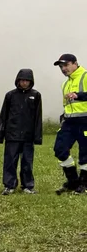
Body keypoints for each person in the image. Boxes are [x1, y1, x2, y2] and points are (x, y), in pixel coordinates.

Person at [0, 69, 41, 195]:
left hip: (28, 136)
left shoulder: (36, 95)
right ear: (18, 81)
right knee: (10, 162)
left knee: (27, 162)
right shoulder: (10, 95)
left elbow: (38, 117)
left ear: (31, 81)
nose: (24, 83)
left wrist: (37, 137)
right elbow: (3, 115)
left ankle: (28, 186)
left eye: (27, 80)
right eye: (22, 80)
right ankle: (9, 185)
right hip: (12, 135)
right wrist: (0, 135)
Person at [53, 53, 87, 194]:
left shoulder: (85, 76)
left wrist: (78, 95)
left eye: (66, 65)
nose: (63, 69)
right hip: (69, 122)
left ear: (75, 63)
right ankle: (73, 182)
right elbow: (67, 105)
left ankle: (85, 184)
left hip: (85, 121)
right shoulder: (65, 84)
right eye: (61, 66)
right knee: (60, 149)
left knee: (85, 154)